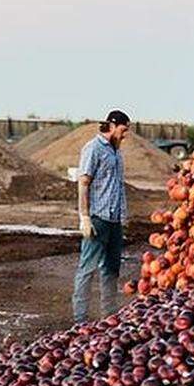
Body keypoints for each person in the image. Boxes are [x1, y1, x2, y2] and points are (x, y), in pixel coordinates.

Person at [72, 109, 130, 323]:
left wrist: (123, 215)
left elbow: (118, 186)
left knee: (111, 269)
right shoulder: (93, 148)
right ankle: (80, 320)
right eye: (123, 130)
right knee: (87, 268)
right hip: (98, 218)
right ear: (113, 126)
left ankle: (109, 315)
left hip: (114, 220)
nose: (125, 135)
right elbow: (83, 183)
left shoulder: (116, 152)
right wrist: (84, 217)